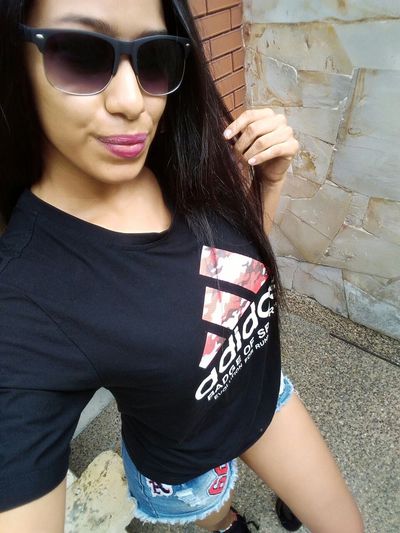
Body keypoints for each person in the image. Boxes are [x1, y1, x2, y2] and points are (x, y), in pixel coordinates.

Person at [0, 0, 364, 531]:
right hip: (188, 466)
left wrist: (270, 182)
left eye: (154, 59)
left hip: (262, 392)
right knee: (219, 520)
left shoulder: (182, 158)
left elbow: (236, 274)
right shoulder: (25, 295)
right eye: (80, 54)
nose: (132, 102)